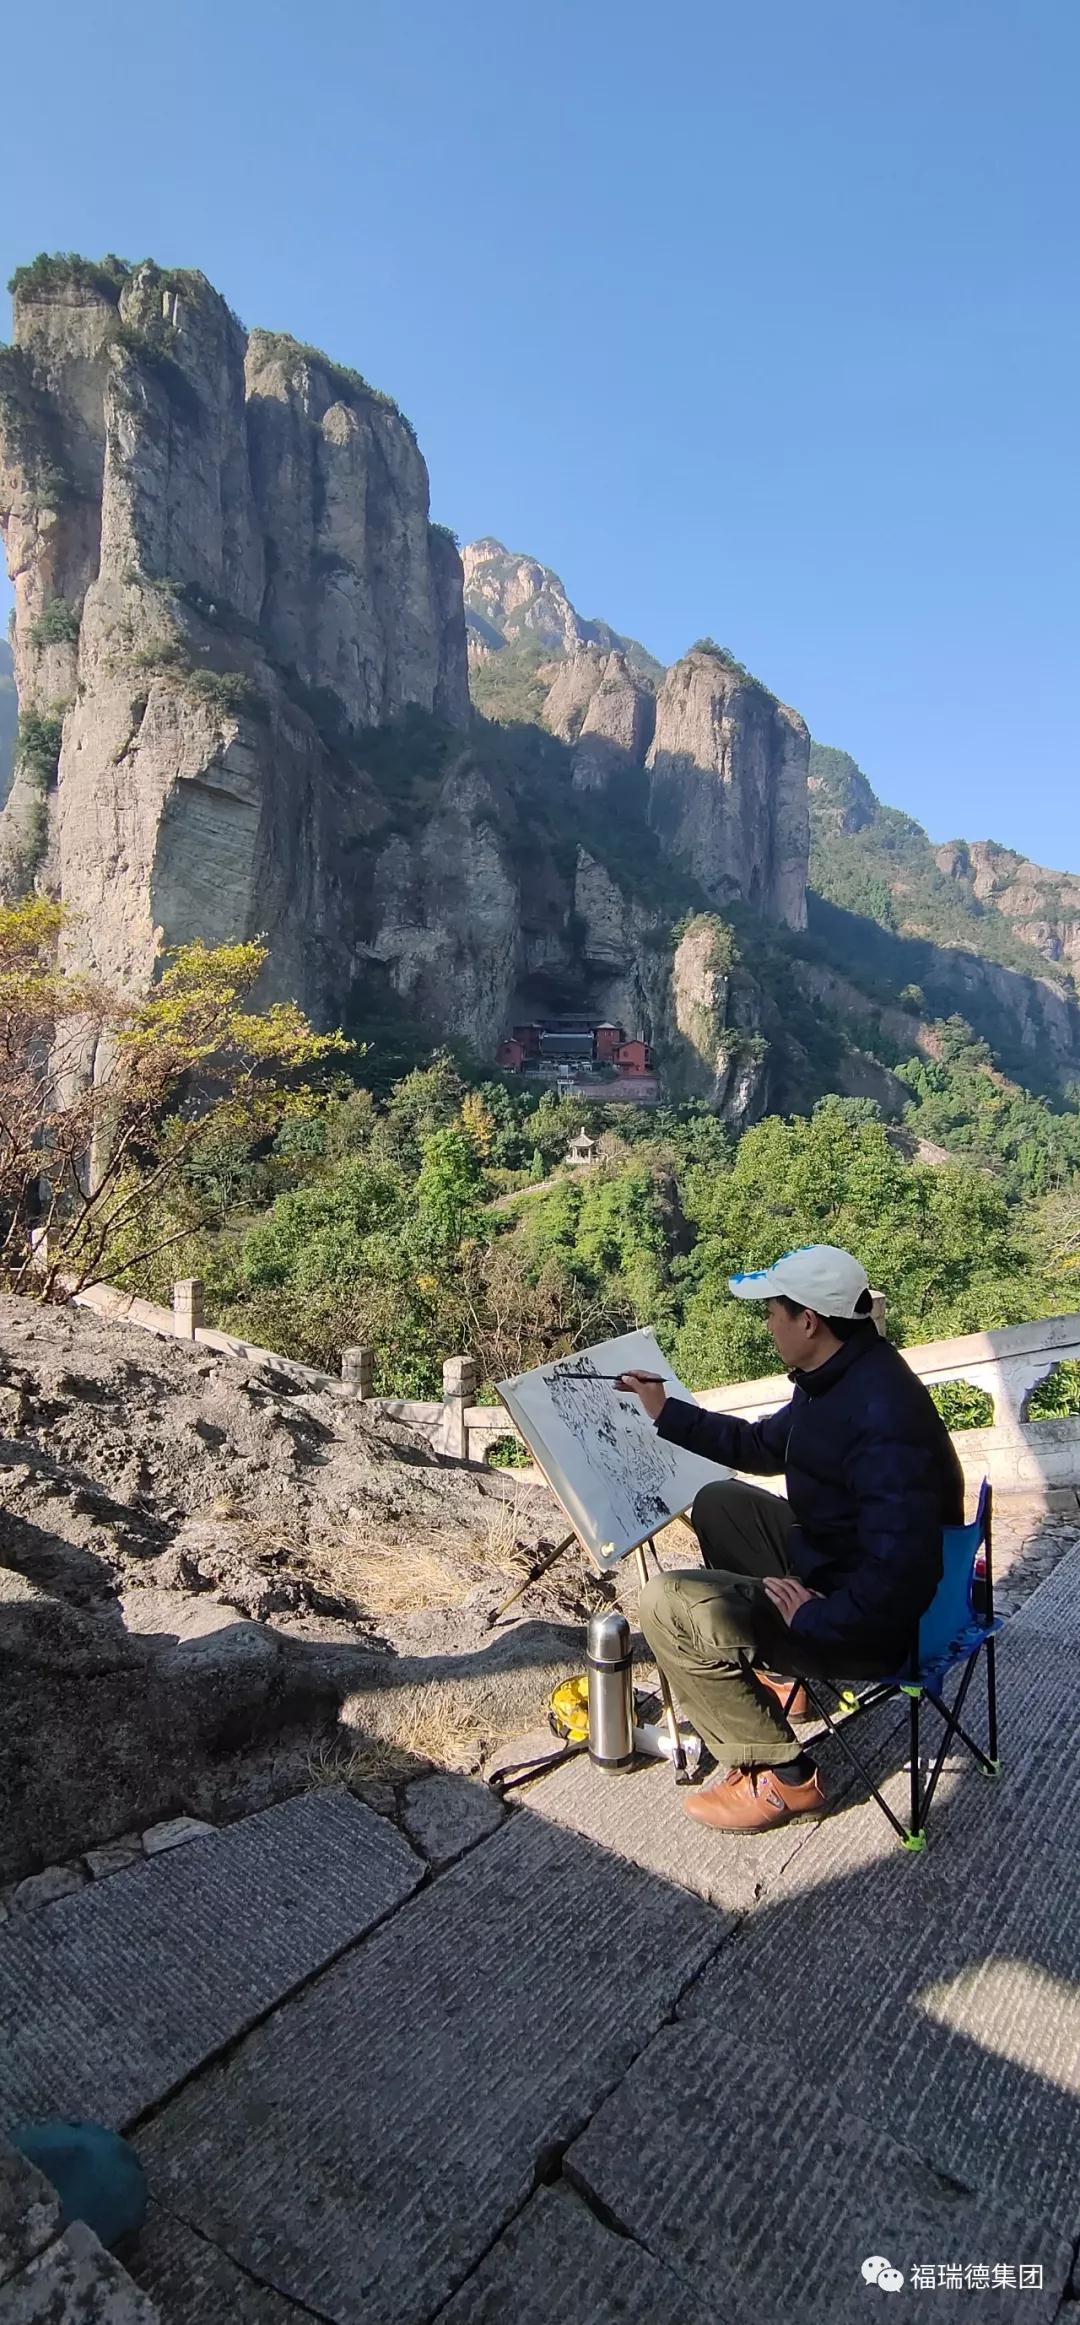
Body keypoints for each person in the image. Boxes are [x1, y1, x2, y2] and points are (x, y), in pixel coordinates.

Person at [617, 1244, 965, 1834]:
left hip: (871, 1620)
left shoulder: (880, 1416)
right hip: (841, 1562)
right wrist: (665, 1411)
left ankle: (784, 1777)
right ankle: (786, 1682)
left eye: (774, 1311)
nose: (768, 1323)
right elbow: (760, 1446)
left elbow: (903, 1571)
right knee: (720, 1503)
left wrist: (814, 1622)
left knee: (664, 1604)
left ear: (809, 1320)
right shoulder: (841, 1372)